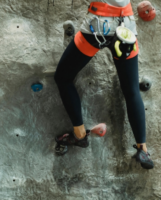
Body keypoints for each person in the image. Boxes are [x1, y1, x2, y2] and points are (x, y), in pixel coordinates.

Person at [54, 0, 154, 169]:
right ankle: (142, 149)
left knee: (63, 78)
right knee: (131, 91)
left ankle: (79, 135)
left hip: (98, 26)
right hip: (126, 28)